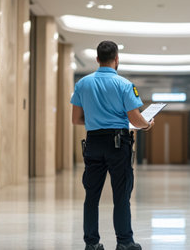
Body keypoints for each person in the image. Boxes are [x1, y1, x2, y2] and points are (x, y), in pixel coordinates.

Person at [71, 41, 154, 250]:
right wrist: (147, 124)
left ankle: (91, 244)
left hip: (93, 143)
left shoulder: (82, 84)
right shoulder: (125, 85)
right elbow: (135, 119)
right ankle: (124, 242)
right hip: (118, 143)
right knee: (121, 195)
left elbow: (76, 119)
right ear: (117, 59)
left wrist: (95, 120)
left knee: (91, 196)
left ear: (97, 59)